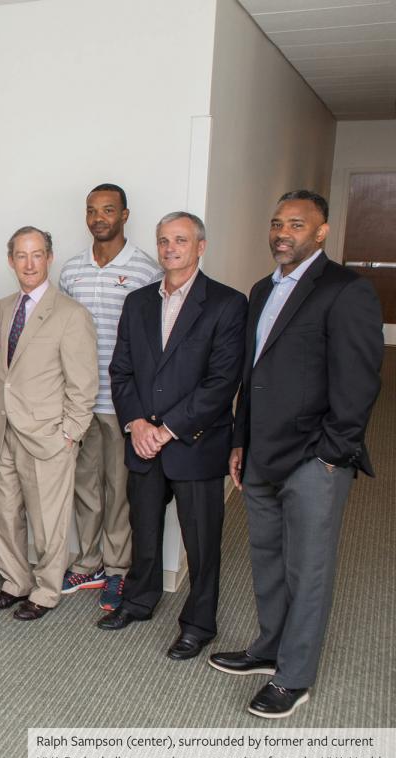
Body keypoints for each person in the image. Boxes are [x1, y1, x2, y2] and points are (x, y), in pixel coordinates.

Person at [209, 190, 383, 719]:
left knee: (309, 570)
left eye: (297, 224)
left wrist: (332, 454)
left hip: (315, 459)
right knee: (268, 560)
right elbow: (251, 376)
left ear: (322, 231)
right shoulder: (262, 290)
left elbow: (359, 382)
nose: (283, 232)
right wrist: (240, 441)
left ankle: (295, 676)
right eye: (277, 222)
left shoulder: (345, 290)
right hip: (260, 450)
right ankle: (268, 649)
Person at [97, 212, 246, 661]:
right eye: (163, 241)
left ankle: (199, 624)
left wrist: (166, 430)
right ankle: (140, 600)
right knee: (143, 529)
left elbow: (222, 383)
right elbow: (121, 370)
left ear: (200, 247)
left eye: (180, 240)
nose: (170, 248)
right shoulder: (139, 301)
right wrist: (136, 424)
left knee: (201, 542)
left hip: (195, 443)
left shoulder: (227, 303)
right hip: (143, 440)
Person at [0, 227, 98, 621]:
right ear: (10, 260)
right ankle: (15, 582)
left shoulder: (71, 314)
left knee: (49, 524)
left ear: (49, 257)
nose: (28, 263)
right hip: (1, 433)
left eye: (36, 255)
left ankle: (47, 591)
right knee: (3, 515)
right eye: (20, 255)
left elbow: (84, 386)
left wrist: (69, 434)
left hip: (47, 437)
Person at [57, 184, 161, 610]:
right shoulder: (71, 270)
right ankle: (89, 562)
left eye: (108, 210)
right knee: (84, 487)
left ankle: (118, 569)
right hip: (80, 401)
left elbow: (154, 342)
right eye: (91, 211)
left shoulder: (145, 270)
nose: (99, 218)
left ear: (124, 215)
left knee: (119, 490)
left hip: (123, 404)